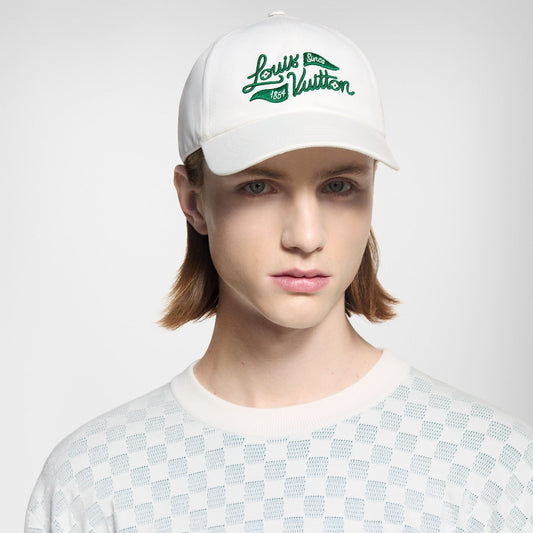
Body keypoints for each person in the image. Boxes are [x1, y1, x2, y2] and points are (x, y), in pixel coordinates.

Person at [26, 12, 533, 532]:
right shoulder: (93, 482)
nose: (306, 236)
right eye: (259, 187)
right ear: (193, 200)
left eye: (339, 186)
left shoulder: (493, 468)